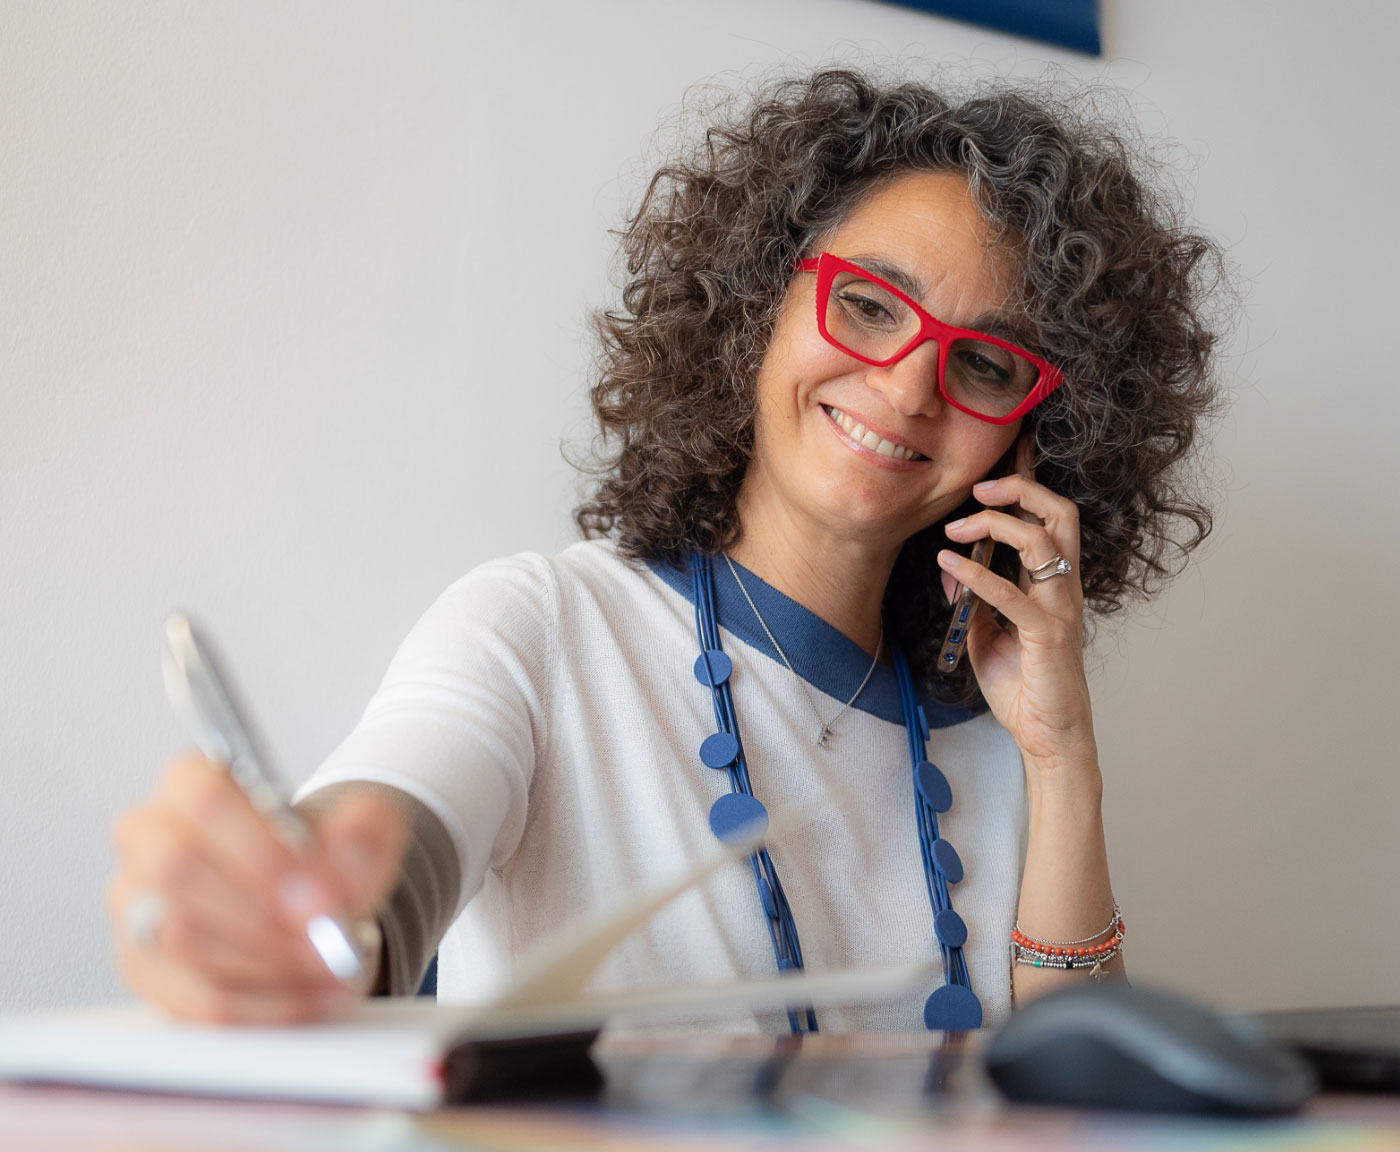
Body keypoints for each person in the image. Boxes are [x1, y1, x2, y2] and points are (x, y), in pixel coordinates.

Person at [107, 69, 1224, 1032]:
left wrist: (1061, 757)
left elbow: (1087, 1101)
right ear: (756, 308)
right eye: (871, 304)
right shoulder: (541, 626)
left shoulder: (996, 726)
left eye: (985, 364)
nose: (907, 383)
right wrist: (295, 910)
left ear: (1031, 436)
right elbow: (390, 835)